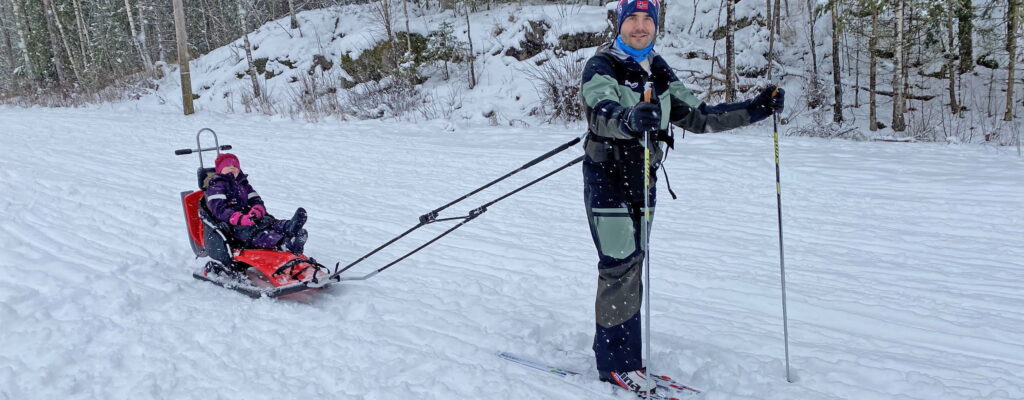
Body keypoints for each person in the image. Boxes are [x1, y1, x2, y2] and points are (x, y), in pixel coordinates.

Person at [579, 0, 785, 394]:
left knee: (634, 262)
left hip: (643, 174)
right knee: (620, 264)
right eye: (632, 20)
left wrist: (756, 109)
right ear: (619, 24)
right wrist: (625, 118)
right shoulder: (602, 63)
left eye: (647, 20)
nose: (639, 27)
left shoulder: (656, 67)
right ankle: (617, 363)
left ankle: (620, 354)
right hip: (607, 175)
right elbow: (599, 107)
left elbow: (699, 116)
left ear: (656, 26)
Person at [205, 153, 309, 255]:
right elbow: (219, 209)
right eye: (227, 165)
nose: (232, 168)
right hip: (233, 224)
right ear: (219, 170)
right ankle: (284, 243)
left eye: (235, 166)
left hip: (250, 216)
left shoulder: (243, 185)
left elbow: (256, 200)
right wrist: (239, 219)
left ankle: (290, 227)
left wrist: (257, 210)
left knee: (268, 221)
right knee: (256, 234)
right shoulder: (216, 186)